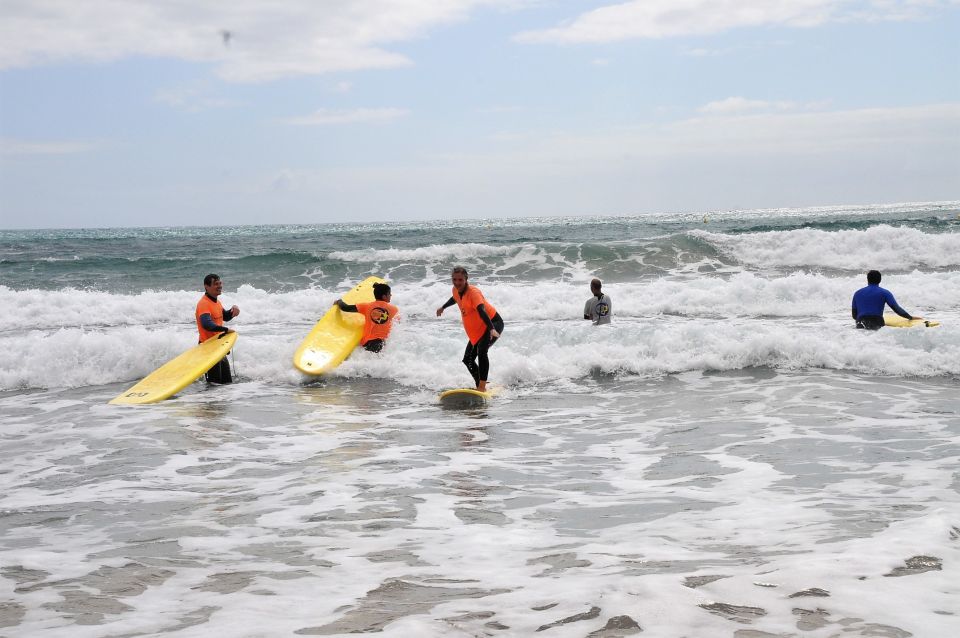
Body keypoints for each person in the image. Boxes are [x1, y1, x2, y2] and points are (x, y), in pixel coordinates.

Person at [436, 266, 504, 392]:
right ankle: (480, 383)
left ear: (466, 279)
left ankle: (482, 388)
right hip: (478, 329)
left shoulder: (473, 293)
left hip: (493, 324)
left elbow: (482, 311)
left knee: (482, 352)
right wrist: (443, 307)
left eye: (460, 280)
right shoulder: (456, 290)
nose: (457, 283)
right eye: (454, 279)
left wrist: (491, 329)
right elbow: (455, 298)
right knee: (468, 359)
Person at [196, 273, 240, 383]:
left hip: (218, 348)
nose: (219, 286)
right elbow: (207, 324)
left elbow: (224, 316)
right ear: (206, 286)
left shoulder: (217, 302)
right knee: (214, 384)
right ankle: (211, 400)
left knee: (227, 383)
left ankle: (223, 400)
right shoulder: (204, 303)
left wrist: (232, 311)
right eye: (216, 284)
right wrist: (226, 330)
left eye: (220, 283)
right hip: (208, 349)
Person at [335, 282, 398, 353]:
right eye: (389, 294)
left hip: (368, 342)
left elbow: (345, 308)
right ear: (384, 296)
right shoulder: (394, 309)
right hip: (382, 343)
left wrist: (339, 301)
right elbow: (397, 322)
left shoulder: (367, 306)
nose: (391, 295)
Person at [851, 270, 920, 330]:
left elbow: (854, 315)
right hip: (877, 321)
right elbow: (896, 309)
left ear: (867, 279)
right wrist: (910, 317)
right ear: (880, 280)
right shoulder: (885, 292)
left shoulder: (857, 293)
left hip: (860, 322)